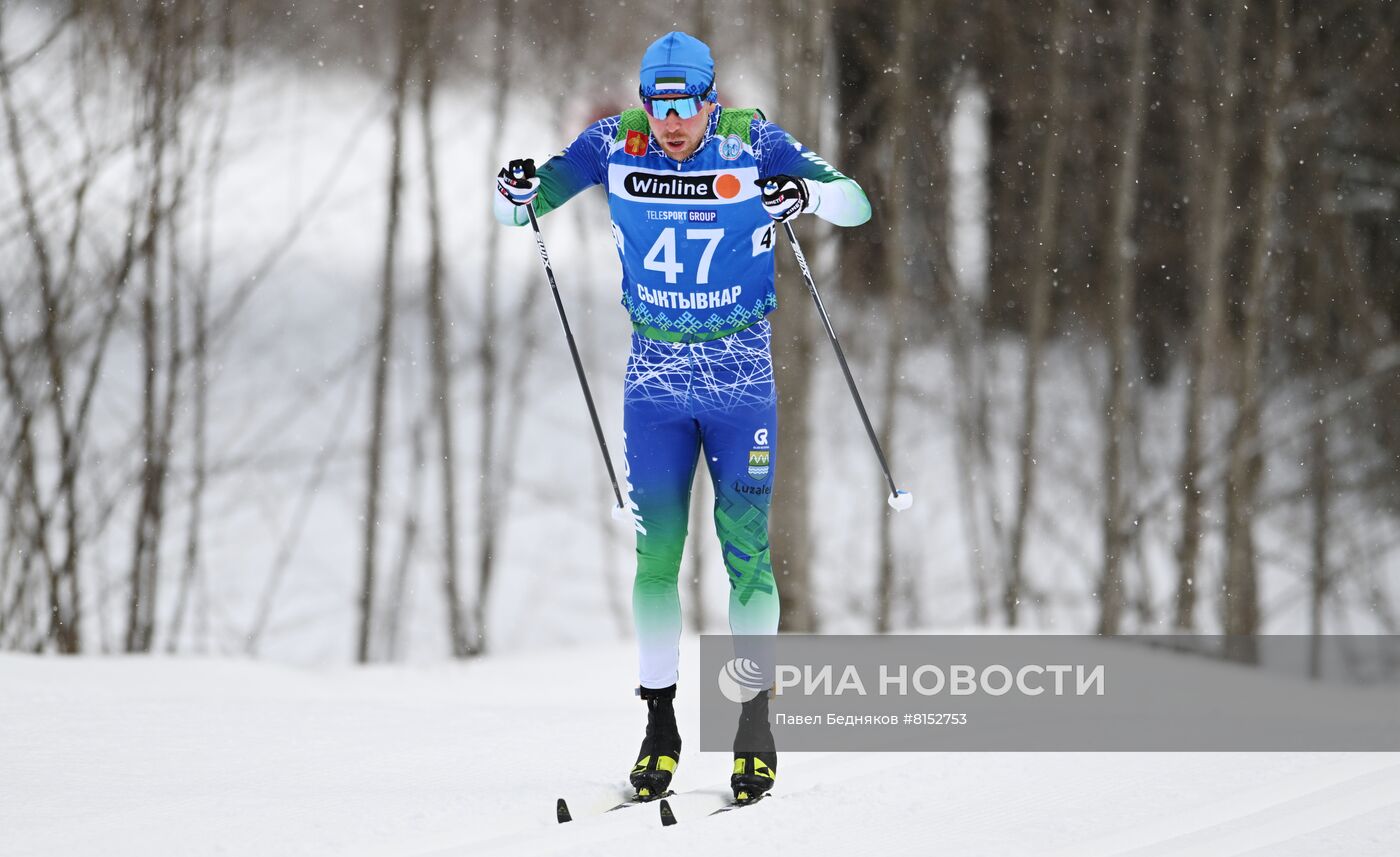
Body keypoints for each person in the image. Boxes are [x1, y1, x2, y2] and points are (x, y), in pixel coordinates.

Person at [494, 31, 870, 804]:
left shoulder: (752, 142)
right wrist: (514, 190)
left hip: (740, 387)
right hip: (656, 389)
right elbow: (520, 209)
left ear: (710, 101)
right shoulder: (614, 143)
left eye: (684, 108)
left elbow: (856, 203)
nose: (670, 124)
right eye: (657, 107)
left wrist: (804, 196)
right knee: (656, 561)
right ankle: (659, 726)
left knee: (747, 557)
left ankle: (754, 725)